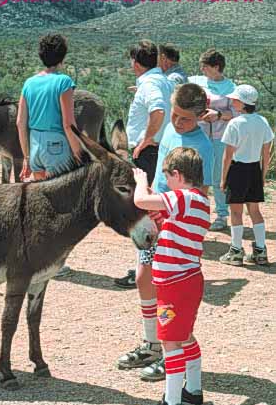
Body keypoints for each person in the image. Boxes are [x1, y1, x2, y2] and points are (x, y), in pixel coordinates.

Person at [117, 84, 213, 383]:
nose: (177, 122)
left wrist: (172, 218)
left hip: (171, 220)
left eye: (185, 118)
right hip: (156, 212)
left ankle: (173, 351)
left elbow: (200, 192)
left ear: (201, 116)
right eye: (175, 114)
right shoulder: (171, 131)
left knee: (167, 289)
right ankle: (154, 344)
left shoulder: (203, 146)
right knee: (144, 278)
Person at [132, 147, 210, 405]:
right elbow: (172, 225)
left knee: (170, 342)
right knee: (185, 335)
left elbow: (141, 200)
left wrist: (141, 181)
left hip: (173, 286)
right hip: (187, 281)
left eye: (167, 177)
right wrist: (160, 217)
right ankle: (194, 390)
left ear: (177, 175)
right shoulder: (198, 200)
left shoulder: (183, 197)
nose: (166, 182)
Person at [114, 40, 172, 289]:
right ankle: (157, 264)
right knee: (155, 210)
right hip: (160, 150)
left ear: (135, 63)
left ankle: (145, 269)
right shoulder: (162, 80)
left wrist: (144, 141)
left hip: (147, 153)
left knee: (143, 212)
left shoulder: (149, 84)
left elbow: (157, 110)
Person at [219, 85, 274, 266]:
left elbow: (227, 156)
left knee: (236, 211)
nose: (232, 102)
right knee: (255, 211)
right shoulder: (262, 121)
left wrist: (223, 179)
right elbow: (266, 153)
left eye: (235, 100)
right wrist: (263, 174)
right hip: (254, 170)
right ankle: (260, 250)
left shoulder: (235, 123)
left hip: (237, 170)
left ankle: (235, 251)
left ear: (242, 103)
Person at [17, 33, 82, 182]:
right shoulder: (63, 81)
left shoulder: (29, 83)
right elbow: (68, 125)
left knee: (43, 198)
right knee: (61, 199)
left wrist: (26, 157)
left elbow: (20, 123)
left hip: (35, 147)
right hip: (56, 146)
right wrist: (79, 153)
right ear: (62, 57)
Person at [189, 49, 236, 231]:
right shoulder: (197, 81)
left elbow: (236, 113)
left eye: (205, 66)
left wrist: (218, 115)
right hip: (198, 136)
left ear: (217, 67)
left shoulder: (231, 88)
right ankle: (197, 213)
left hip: (219, 137)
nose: (202, 70)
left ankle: (222, 215)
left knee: (217, 176)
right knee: (197, 175)